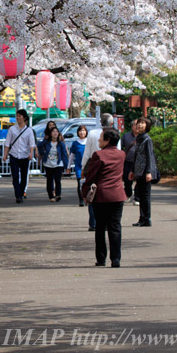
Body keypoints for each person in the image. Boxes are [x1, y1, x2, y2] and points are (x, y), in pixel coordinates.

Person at [82, 128, 127, 268]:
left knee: (100, 227)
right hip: (117, 194)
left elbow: (91, 177)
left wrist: (85, 193)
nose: (98, 140)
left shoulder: (98, 155)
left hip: (101, 196)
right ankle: (116, 259)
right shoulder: (121, 154)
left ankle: (101, 258)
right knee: (115, 227)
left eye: (101, 137)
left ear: (107, 140)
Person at [82, 114, 115, 230]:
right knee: (107, 193)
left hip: (93, 164)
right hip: (110, 166)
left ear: (100, 122)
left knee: (92, 192)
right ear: (111, 123)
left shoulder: (92, 133)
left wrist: (83, 167)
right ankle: (105, 223)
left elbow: (86, 153)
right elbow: (119, 151)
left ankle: (93, 223)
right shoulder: (114, 133)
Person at [2, 109, 37, 204]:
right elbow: (7, 143)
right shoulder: (12, 129)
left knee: (24, 177)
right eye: (17, 116)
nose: (18, 118)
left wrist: (31, 153)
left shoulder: (29, 130)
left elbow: (32, 144)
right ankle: (18, 196)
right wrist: (5, 155)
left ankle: (21, 193)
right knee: (15, 177)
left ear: (24, 117)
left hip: (25, 156)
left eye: (20, 116)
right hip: (14, 155)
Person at [129, 117, 157, 227]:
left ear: (147, 126)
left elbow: (149, 156)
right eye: (138, 123)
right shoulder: (139, 138)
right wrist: (132, 170)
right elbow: (136, 155)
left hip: (145, 171)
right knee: (140, 195)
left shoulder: (147, 139)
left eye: (142, 123)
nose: (139, 125)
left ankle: (147, 218)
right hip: (139, 171)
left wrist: (149, 172)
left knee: (145, 196)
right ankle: (142, 218)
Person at [38, 127, 69, 202]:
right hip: (48, 164)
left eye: (56, 131)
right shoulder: (47, 142)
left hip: (58, 164)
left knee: (57, 180)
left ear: (58, 134)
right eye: (53, 131)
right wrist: (43, 154)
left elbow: (64, 154)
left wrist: (67, 166)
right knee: (49, 180)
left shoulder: (61, 143)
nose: (55, 133)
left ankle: (58, 195)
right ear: (50, 133)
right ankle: (51, 196)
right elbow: (39, 146)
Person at [68, 125, 88, 207]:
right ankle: (81, 200)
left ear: (86, 132)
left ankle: (87, 198)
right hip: (79, 167)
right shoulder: (75, 143)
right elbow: (72, 155)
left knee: (87, 183)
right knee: (80, 183)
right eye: (80, 131)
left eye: (83, 130)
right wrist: (68, 167)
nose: (82, 132)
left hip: (88, 167)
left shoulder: (89, 142)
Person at [121, 120, 139, 205]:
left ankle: (137, 198)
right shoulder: (126, 136)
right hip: (128, 161)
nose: (137, 126)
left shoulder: (143, 136)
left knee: (139, 180)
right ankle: (128, 193)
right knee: (127, 180)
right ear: (132, 126)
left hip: (139, 162)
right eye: (135, 125)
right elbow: (121, 147)